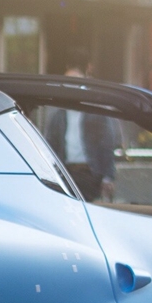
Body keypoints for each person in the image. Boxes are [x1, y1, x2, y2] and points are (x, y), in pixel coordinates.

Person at [46, 49, 120, 201]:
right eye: (67, 83)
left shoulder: (95, 112)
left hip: (89, 173)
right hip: (66, 173)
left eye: (75, 83)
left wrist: (108, 176)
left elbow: (106, 145)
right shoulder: (58, 115)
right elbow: (51, 145)